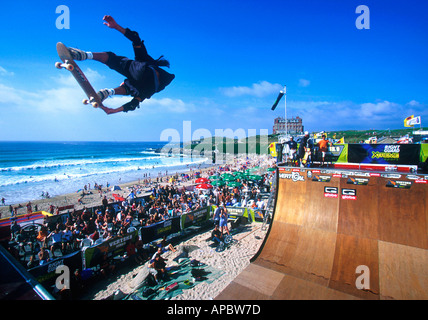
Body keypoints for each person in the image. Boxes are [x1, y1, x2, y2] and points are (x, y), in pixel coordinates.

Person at [68, 15, 175, 115]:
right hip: (146, 86)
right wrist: (112, 110)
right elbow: (133, 104)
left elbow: (136, 38)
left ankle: (85, 55)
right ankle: (107, 92)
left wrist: (116, 26)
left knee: (111, 58)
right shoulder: (147, 92)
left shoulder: (144, 60)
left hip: (144, 71)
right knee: (130, 89)